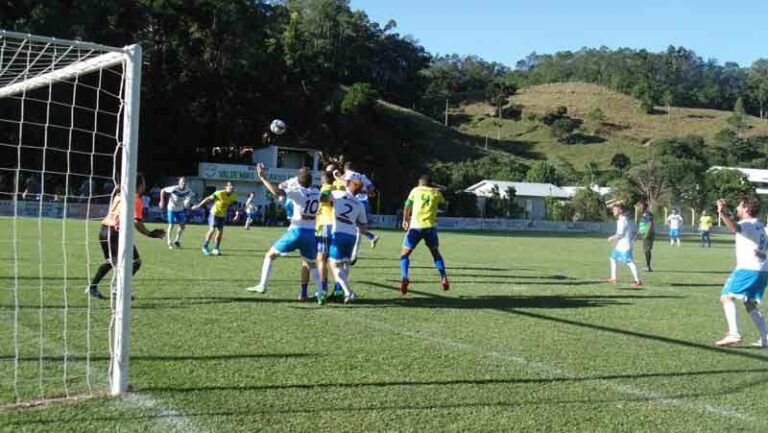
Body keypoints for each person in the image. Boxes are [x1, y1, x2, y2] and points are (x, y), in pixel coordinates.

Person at [246, 164, 322, 298]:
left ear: (298, 181)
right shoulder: (317, 192)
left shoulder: (298, 193)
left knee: (269, 255)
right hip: (310, 233)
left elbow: (276, 192)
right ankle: (321, 293)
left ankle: (262, 285)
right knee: (311, 264)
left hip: (296, 231)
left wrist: (263, 178)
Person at [86, 175, 165, 299]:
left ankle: (93, 287)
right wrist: (150, 234)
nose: (145, 186)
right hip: (115, 233)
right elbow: (136, 222)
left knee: (112, 261)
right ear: (140, 185)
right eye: (144, 183)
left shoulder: (119, 195)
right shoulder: (135, 199)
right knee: (135, 262)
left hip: (104, 230)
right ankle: (118, 289)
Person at [714, 197, 768, 348]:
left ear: (746, 209)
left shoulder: (747, 224)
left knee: (726, 297)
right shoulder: (760, 225)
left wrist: (722, 212)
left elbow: (734, 228)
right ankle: (766, 337)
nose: (737, 208)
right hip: (762, 270)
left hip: (748, 269)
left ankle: (734, 334)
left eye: (739, 206)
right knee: (750, 304)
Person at [321, 173, 368, 304]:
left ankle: (348, 292)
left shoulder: (338, 194)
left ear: (348, 184)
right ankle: (340, 292)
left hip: (339, 233)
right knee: (345, 264)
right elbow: (363, 226)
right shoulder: (360, 204)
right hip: (351, 235)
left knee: (333, 264)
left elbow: (323, 198)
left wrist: (327, 187)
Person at [400, 175, 449, 295]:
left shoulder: (415, 190)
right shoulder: (436, 193)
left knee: (404, 254)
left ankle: (405, 276)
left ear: (419, 183)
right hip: (430, 228)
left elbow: (407, 205)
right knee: (435, 253)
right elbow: (445, 205)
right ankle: (443, 277)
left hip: (415, 227)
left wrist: (405, 219)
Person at [191, 182, 240, 256]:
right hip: (214, 214)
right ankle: (205, 246)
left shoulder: (234, 195)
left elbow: (235, 204)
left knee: (220, 232)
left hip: (222, 215)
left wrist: (237, 214)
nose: (231, 187)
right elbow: (208, 199)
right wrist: (198, 206)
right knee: (212, 229)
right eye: (229, 186)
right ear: (225, 187)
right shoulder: (219, 193)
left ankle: (216, 248)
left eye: (232, 186)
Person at [605, 202, 642, 287]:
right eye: (613, 209)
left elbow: (620, 234)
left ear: (620, 210)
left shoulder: (622, 220)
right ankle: (613, 278)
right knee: (612, 258)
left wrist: (612, 238)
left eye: (615, 209)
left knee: (629, 262)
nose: (613, 211)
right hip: (620, 245)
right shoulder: (623, 219)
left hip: (625, 246)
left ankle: (637, 281)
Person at [159, 177, 194, 249]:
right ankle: (169, 242)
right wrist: (162, 201)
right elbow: (162, 190)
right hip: (171, 208)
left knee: (183, 226)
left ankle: (177, 241)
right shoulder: (174, 188)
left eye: (185, 182)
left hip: (180, 209)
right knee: (171, 225)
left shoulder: (188, 190)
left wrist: (188, 203)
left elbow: (190, 197)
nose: (183, 183)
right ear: (179, 183)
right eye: (182, 182)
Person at [636, 201, 655, 272]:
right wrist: (637, 235)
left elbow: (650, 224)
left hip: (648, 234)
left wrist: (646, 233)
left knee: (647, 250)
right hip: (644, 233)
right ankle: (648, 266)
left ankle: (648, 267)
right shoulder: (643, 214)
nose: (638, 208)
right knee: (646, 250)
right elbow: (642, 226)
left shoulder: (648, 214)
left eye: (639, 206)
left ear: (643, 206)